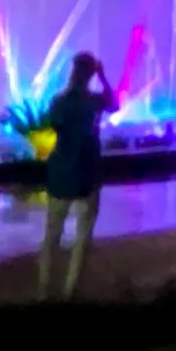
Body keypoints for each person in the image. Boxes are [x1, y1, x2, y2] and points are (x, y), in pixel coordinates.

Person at [36, 52, 114, 301]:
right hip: (87, 174)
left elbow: (52, 126)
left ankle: (44, 291)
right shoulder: (93, 102)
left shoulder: (59, 101)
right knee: (83, 237)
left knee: (52, 235)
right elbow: (114, 103)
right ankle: (71, 292)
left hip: (61, 174)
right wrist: (103, 78)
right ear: (91, 74)